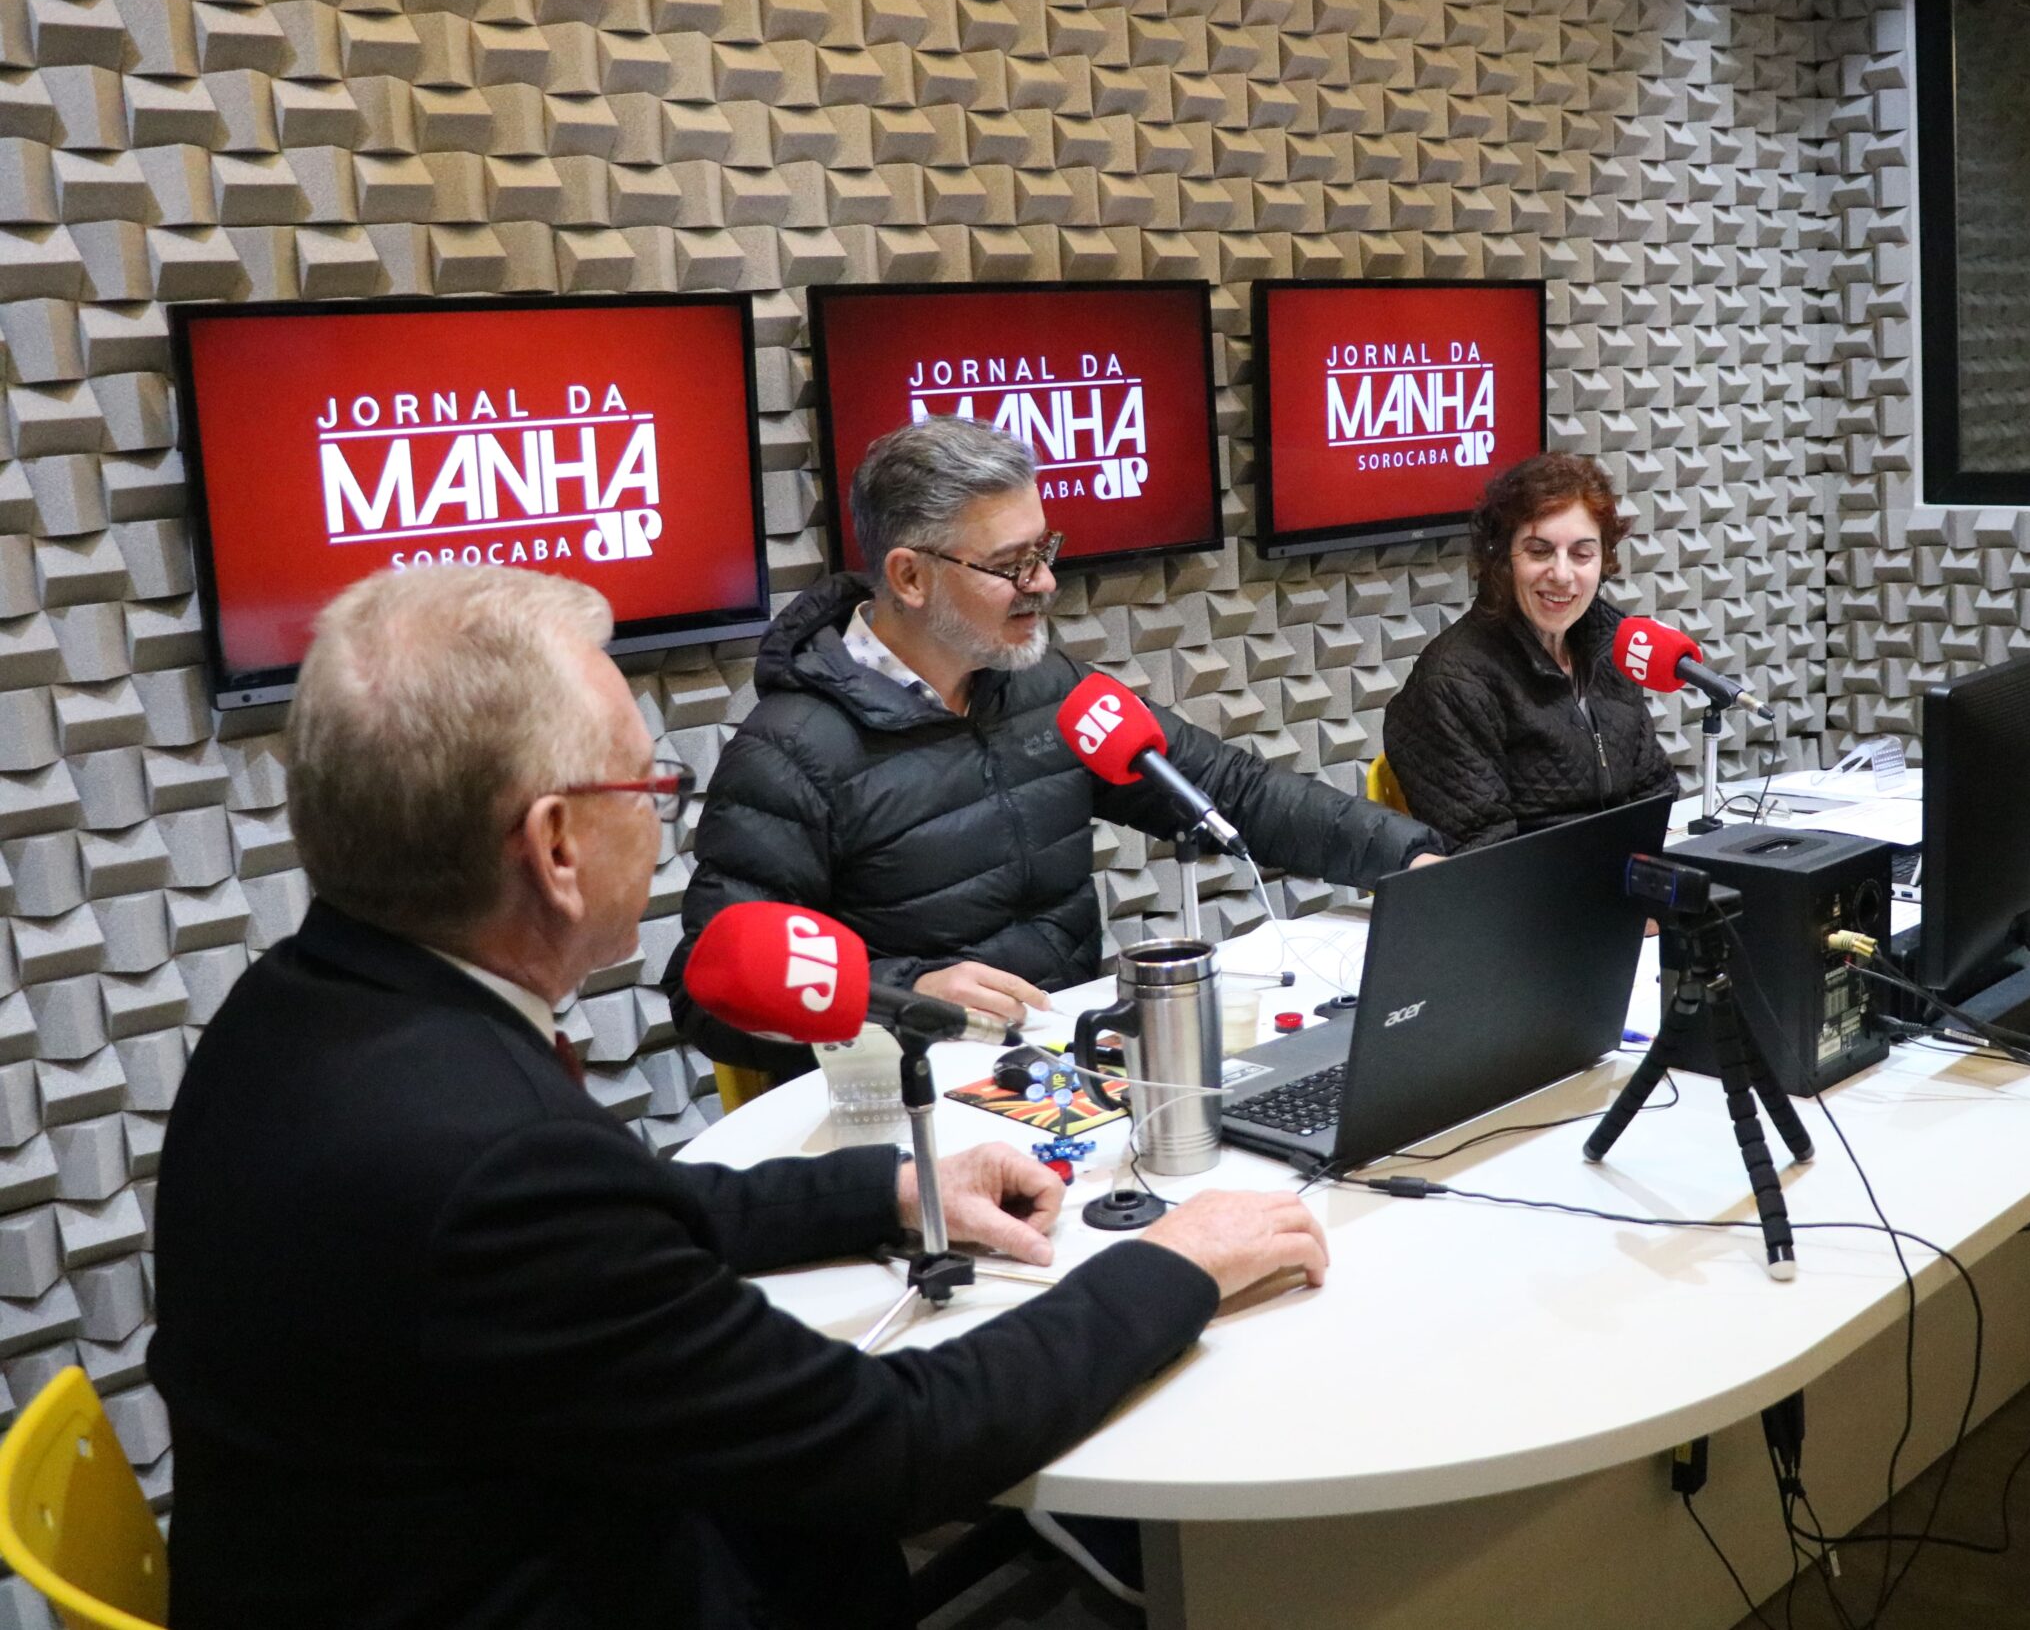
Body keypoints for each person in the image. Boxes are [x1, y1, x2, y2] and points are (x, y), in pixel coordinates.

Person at [148, 566, 1333, 1629]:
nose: (663, 813)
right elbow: (892, 1444)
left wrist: (888, 1183)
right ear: (556, 848)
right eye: (649, 780)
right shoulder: (489, 1166)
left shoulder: (300, 1007)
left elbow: (623, 1218)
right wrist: (1177, 1262)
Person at [673, 417, 1442, 1074]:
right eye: (1010, 564)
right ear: (908, 576)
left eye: (1045, 548)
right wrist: (909, 997)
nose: (1043, 582)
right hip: (917, 1101)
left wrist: (1409, 861)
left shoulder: (1052, 691)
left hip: (1069, 1068)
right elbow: (709, 990)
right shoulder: (789, 753)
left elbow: (1230, 790)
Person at [1382, 453, 1676, 852]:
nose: (1561, 573)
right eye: (1539, 551)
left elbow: (1655, 795)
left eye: (1582, 553)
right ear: (1502, 558)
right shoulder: (1451, 683)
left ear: (1603, 560)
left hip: (1624, 888)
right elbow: (1485, 854)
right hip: (1532, 901)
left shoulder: (1613, 649)